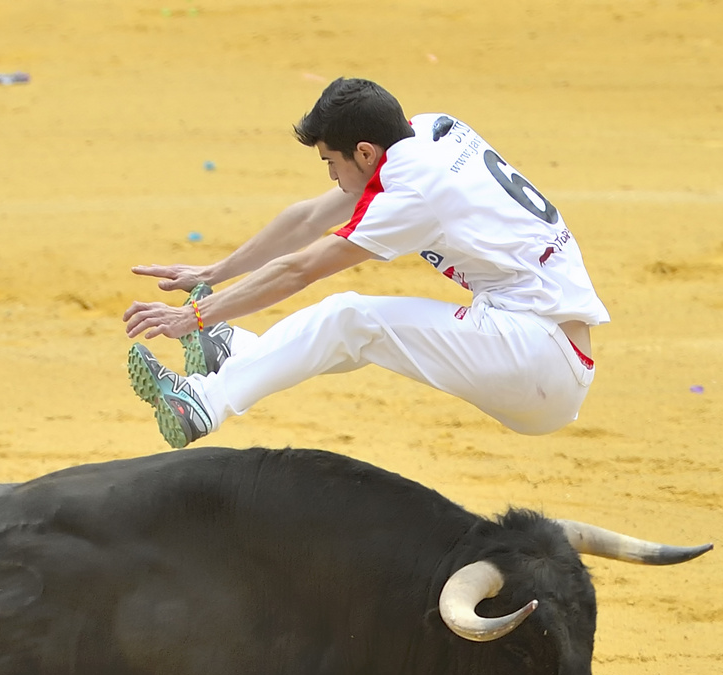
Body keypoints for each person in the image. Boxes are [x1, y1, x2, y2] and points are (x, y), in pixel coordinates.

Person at [122, 77, 608, 448]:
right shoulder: (424, 133)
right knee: (352, 332)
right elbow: (310, 218)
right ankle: (241, 355)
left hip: (540, 362)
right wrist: (210, 274)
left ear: (364, 151)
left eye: (330, 162)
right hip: (536, 345)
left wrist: (194, 316)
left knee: (350, 317)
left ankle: (203, 403)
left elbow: (301, 269)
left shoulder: (416, 193)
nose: (332, 176)